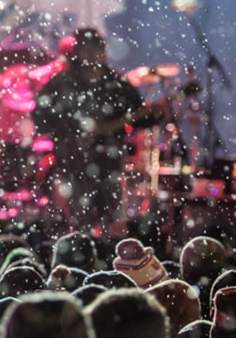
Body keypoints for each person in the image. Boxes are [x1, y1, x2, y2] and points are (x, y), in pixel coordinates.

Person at [33, 28, 159, 230]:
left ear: (103, 51)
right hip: (73, 165)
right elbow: (40, 117)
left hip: (108, 165)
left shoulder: (117, 84)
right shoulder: (61, 83)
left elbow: (143, 118)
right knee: (77, 226)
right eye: (86, 49)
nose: (92, 54)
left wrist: (157, 113)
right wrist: (69, 131)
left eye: (96, 49)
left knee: (113, 226)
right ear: (76, 52)